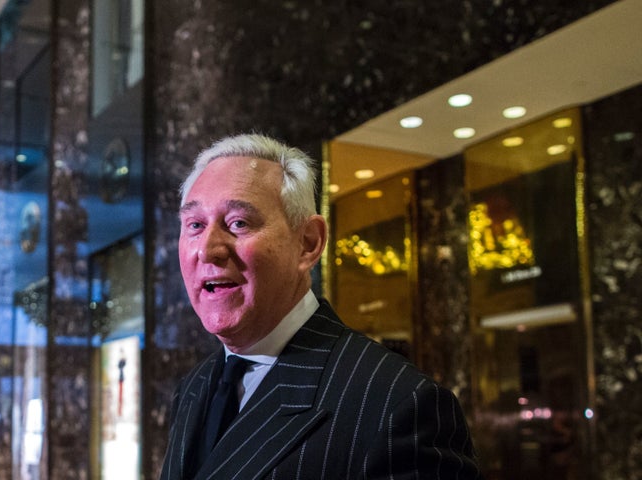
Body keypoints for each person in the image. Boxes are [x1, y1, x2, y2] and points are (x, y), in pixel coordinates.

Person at [159, 133, 482, 479]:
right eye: (195, 225)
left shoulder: (397, 405)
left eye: (238, 223)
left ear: (308, 243)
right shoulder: (193, 388)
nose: (207, 250)